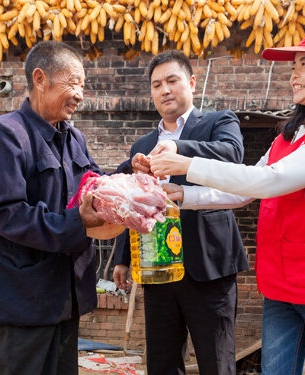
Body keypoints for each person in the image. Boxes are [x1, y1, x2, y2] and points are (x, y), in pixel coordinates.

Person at [150, 23, 305, 375]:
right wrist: (184, 194)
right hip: (284, 285)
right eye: (293, 67)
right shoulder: (290, 134)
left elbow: (271, 181)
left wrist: (186, 164)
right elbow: (245, 188)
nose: (294, 75)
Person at [0, 41, 106, 375]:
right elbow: (7, 213)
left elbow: (95, 184)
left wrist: (132, 176)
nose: (80, 95)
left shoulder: (73, 138)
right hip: (19, 302)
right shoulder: (5, 135)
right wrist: (76, 223)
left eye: (83, 87)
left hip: (62, 299)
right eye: (73, 83)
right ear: (41, 79)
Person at [111, 50, 249, 375]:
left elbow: (232, 155)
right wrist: (122, 257)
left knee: (216, 362)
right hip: (158, 267)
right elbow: (134, 201)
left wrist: (178, 148)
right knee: (161, 363)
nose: (165, 90)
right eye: (157, 84)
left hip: (208, 267)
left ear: (191, 83)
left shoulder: (219, 122)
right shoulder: (142, 145)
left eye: (172, 80)